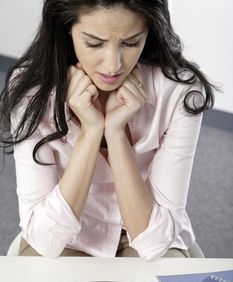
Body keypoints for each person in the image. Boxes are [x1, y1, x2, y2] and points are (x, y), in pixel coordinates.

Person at [0, 0, 215, 260]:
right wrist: (91, 133)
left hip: (146, 229)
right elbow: (45, 241)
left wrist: (115, 133)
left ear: (150, 30)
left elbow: (155, 242)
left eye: (131, 42)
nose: (113, 66)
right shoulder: (32, 92)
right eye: (95, 43)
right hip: (67, 235)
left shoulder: (179, 93)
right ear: (66, 28)